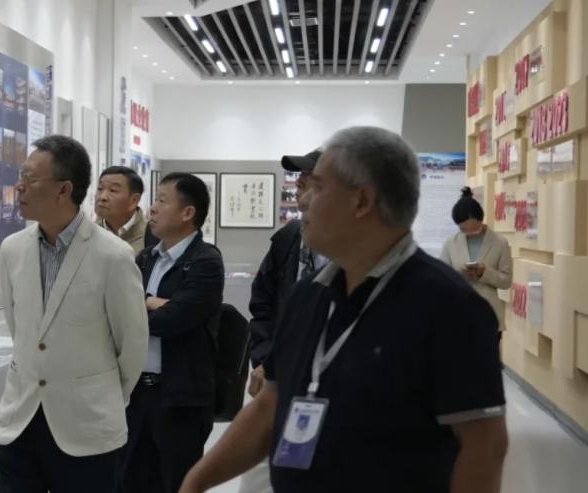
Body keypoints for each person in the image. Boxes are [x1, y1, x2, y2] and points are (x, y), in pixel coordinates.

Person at [179, 126, 508, 493]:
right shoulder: (307, 295)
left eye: (317, 187)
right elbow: (270, 403)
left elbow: (483, 447)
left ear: (361, 201)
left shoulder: (450, 307)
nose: (303, 200)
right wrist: (196, 481)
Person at [0, 135, 149, 493]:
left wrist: (101, 397)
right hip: (19, 421)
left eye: (31, 178)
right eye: (21, 175)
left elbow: (132, 346)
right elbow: (21, 330)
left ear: (64, 189)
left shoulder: (113, 255)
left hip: (86, 429)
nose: (20, 186)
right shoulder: (12, 250)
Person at [121, 173, 224, 493]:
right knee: (129, 481)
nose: (152, 208)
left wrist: (143, 304)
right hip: (135, 396)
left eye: (162, 200)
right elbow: (117, 311)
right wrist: (153, 303)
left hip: (180, 399)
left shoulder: (206, 262)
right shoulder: (145, 258)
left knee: (177, 483)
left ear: (187, 212)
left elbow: (172, 320)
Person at [246, 149, 326, 398]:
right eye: (299, 182)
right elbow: (262, 304)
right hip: (284, 375)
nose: (299, 188)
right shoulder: (289, 238)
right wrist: (265, 359)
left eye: (308, 181)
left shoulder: (357, 254)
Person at [440, 187, 513, 332]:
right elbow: (441, 278)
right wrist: (459, 274)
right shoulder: (450, 243)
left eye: (473, 228)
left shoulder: (500, 243)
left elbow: (506, 281)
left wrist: (484, 273)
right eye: (463, 229)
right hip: (457, 316)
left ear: (481, 219)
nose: (469, 233)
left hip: (489, 316)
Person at [95, 166, 159, 254]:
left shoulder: (152, 237)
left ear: (134, 201)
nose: (102, 197)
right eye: (100, 188)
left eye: (113, 190)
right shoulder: (86, 233)